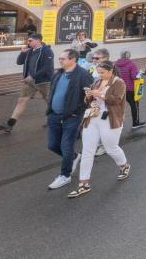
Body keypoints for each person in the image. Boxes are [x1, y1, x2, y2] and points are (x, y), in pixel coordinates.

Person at [67, 61, 131, 198]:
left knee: (111, 148)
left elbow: (117, 100)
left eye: (102, 72)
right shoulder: (96, 82)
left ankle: (124, 165)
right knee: (87, 151)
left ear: (110, 71)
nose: (100, 75)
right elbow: (88, 101)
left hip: (110, 119)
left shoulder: (119, 82)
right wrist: (89, 96)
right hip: (93, 118)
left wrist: (99, 94)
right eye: (98, 72)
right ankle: (83, 184)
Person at [45, 49, 94, 190]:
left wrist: (77, 112)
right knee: (53, 145)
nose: (60, 61)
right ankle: (74, 157)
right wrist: (50, 110)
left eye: (63, 59)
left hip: (71, 117)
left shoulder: (83, 75)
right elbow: (53, 92)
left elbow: (89, 97)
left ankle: (65, 175)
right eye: (60, 58)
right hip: (54, 115)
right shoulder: (59, 73)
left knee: (66, 146)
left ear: (73, 59)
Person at [0, 33, 55, 133]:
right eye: (28, 40)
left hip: (44, 81)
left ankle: (56, 120)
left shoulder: (47, 51)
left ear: (38, 41)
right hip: (29, 81)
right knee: (21, 100)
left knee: (49, 101)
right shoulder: (29, 50)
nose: (28, 42)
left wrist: (33, 76)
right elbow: (19, 62)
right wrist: (22, 52)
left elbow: (47, 67)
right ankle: (9, 125)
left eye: (30, 41)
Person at [114, 50, 145, 129]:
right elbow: (134, 77)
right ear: (129, 56)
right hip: (130, 88)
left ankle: (116, 123)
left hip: (119, 88)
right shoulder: (131, 64)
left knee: (119, 106)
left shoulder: (116, 64)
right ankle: (135, 123)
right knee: (134, 105)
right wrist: (140, 73)